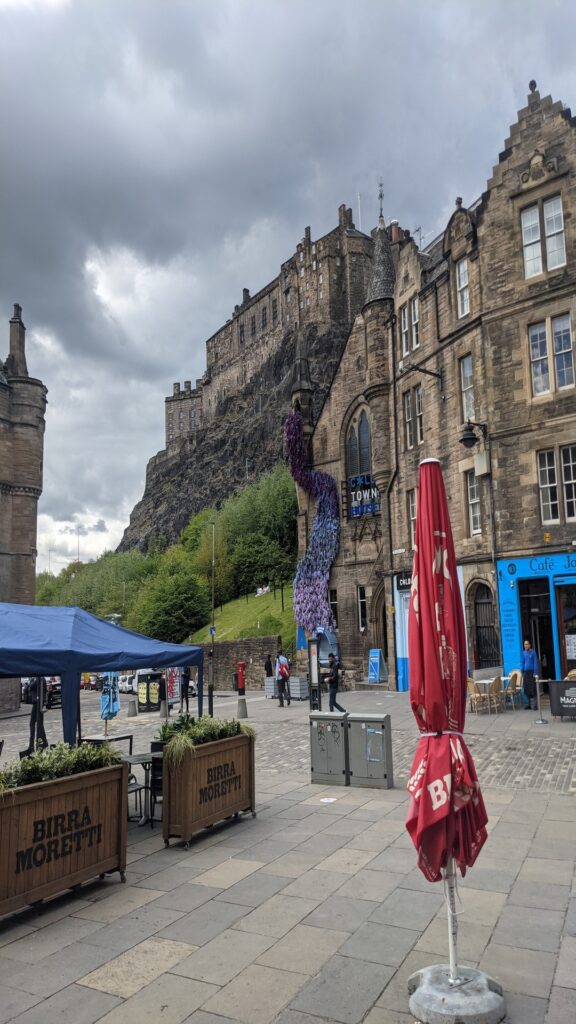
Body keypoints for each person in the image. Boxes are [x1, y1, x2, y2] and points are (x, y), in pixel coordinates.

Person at [26, 675, 48, 754]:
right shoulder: (34, 678)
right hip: (36, 703)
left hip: (38, 703)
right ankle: (44, 742)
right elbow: (28, 688)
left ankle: (31, 745)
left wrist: (44, 703)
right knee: (38, 724)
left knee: (35, 724)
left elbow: (31, 687)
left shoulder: (40, 678)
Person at [521, 638, 539, 710]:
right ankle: (528, 704)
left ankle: (535, 705)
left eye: (527, 644)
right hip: (526, 673)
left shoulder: (533, 652)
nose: (525, 645)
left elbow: (535, 663)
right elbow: (523, 663)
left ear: (530, 645)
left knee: (533, 689)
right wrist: (522, 672)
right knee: (527, 689)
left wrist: (535, 672)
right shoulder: (523, 653)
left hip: (532, 673)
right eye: (524, 644)